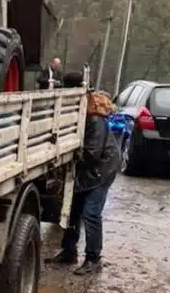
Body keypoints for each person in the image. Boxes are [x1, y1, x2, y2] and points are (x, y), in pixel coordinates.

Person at [49, 89, 122, 274]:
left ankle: (93, 258)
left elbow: (92, 153)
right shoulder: (90, 120)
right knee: (74, 210)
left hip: (101, 171)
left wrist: (70, 155)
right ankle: (69, 251)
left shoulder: (95, 122)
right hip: (92, 170)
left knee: (91, 213)